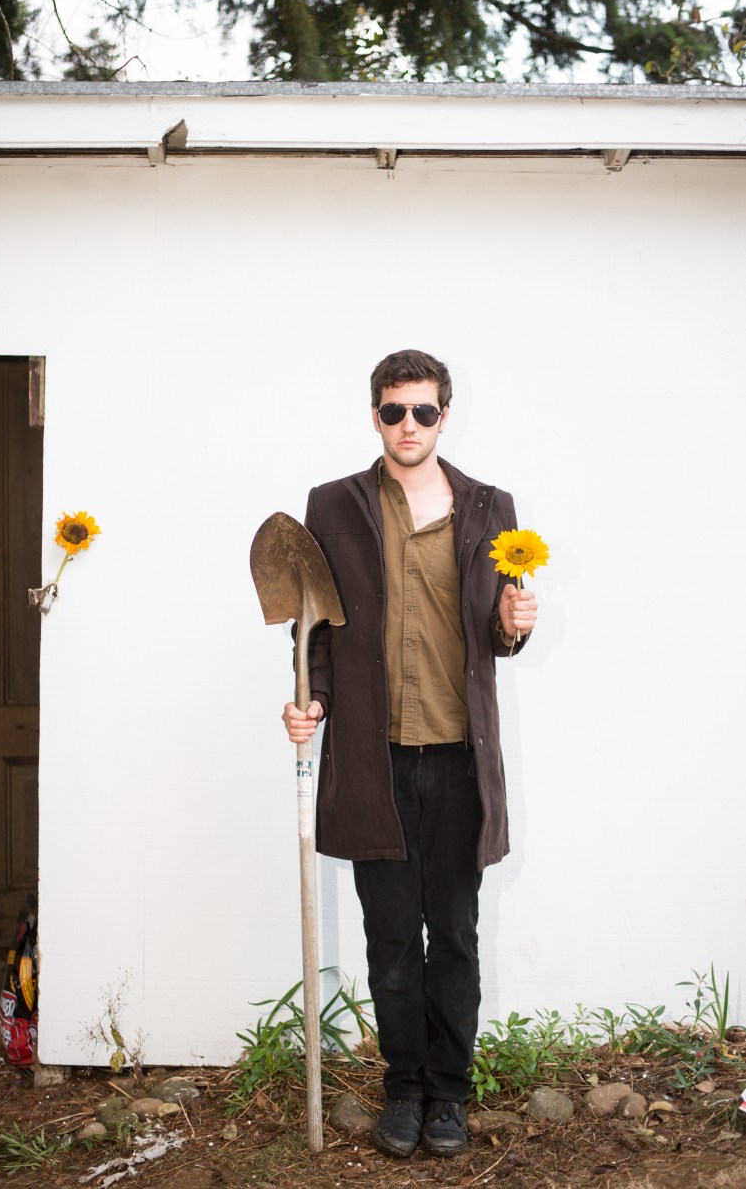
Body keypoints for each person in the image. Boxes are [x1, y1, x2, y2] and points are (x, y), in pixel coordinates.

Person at [282, 349, 537, 1159]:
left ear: (443, 415)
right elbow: (314, 626)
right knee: (390, 938)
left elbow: (494, 634)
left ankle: (449, 1093)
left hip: (459, 756)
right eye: (393, 411)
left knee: (453, 935)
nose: (408, 425)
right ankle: (403, 1088)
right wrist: (311, 699)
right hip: (373, 758)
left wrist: (513, 625)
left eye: (423, 411)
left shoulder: (490, 508)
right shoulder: (333, 505)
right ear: (375, 415)